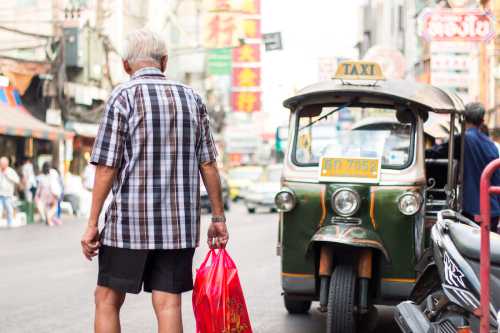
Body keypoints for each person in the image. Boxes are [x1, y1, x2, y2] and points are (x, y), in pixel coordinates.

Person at [80, 29, 229, 333]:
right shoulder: (192, 98)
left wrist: (92, 222)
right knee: (169, 303)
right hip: (178, 227)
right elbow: (209, 164)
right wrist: (218, 217)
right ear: (164, 61)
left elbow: (107, 167)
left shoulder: (122, 97)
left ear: (125, 65)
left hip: (127, 225)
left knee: (107, 299)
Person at [427, 102, 500, 231]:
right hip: (492, 211)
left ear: (463, 118)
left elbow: (436, 152)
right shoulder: (492, 145)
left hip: (473, 210)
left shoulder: (463, 140)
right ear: (482, 121)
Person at [35, 162, 61, 226]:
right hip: (52, 193)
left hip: (44, 194)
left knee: (47, 207)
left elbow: (39, 187)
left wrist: (37, 195)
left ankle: (49, 218)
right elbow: (56, 183)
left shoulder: (40, 177)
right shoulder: (53, 173)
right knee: (54, 207)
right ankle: (49, 218)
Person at [0, 157, 20, 227]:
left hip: (8, 194)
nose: (2, 165)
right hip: (0, 194)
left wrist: (8, 176)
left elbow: (17, 180)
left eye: (3, 164)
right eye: (1, 164)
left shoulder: (10, 171)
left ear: (7, 164)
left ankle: (10, 222)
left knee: (9, 209)